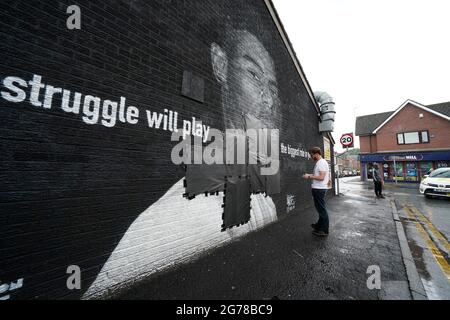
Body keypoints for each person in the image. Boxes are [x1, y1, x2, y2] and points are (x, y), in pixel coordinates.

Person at [84, 26, 281, 298]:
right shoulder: (182, 214)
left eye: (273, 87)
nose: (268, 99)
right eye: (253, 74)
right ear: (220, 64)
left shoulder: (260, 194)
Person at [302, 147, 330, 237]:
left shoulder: (321, 163)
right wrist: (309, 175)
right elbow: (317, 175)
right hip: (318, 189)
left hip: (319, 189)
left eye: (312, 155)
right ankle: (319, 226)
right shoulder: (320, 162)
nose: (311, 157)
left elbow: (321, 178)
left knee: (322, 210)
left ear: (316, 153)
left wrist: (309, 177)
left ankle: (324, 230)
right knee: (320, 209)